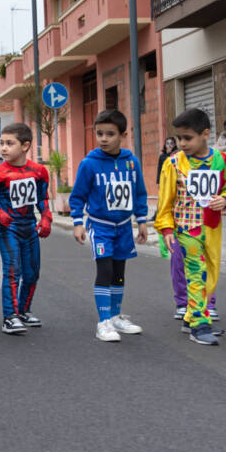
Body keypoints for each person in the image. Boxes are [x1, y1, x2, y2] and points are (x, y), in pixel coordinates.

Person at [155, 109, 226, 346]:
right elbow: (165, 201)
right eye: (179, 138)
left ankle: (191, 315)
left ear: (205, 134)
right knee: (196, 271)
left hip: (211, 228)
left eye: (187, 138)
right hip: (186, 229)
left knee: (211, 273)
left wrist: (225, 200)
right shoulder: (173, 163)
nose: (182, 144)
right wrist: (166, 229)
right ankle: (199, 324)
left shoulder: (222, 161)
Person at [70, 110, 148, 342]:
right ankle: (103, 322)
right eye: (100, 133)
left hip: (123, 227)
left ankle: (115, 317)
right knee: (104, 271)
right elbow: (77, 196)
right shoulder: (89, 164)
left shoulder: (132, 162)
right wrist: (77, 223)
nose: (104, 138)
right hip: (101, 226)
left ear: (123, 135)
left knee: (118, 274)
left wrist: (141, 220)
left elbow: (139, 193)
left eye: (110, 134)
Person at [0, 123, 52, 335]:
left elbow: (43, 198)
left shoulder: (39, 171)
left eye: (9, 143)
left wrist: (46, 217)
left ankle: (23, 310)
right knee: (13, 271)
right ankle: (9, 316)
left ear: (25, 146)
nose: (3, 148)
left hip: (29, 226)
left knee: (32, 272)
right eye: (1, 143)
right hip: (8, 227)